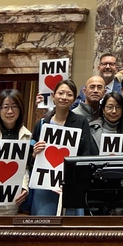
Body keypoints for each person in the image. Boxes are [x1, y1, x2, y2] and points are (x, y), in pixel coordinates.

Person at [30, 79, 97, 216]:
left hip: (71, 185)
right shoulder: (41, 124)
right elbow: (30, 159)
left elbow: (86, 153)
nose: (64, 97)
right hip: (44, 186)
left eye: (69, 94)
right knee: (44, 227)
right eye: (60, 93)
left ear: (74, 99)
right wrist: (34, 153)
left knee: (71, 230)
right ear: (53, 96)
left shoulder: (80, 121)